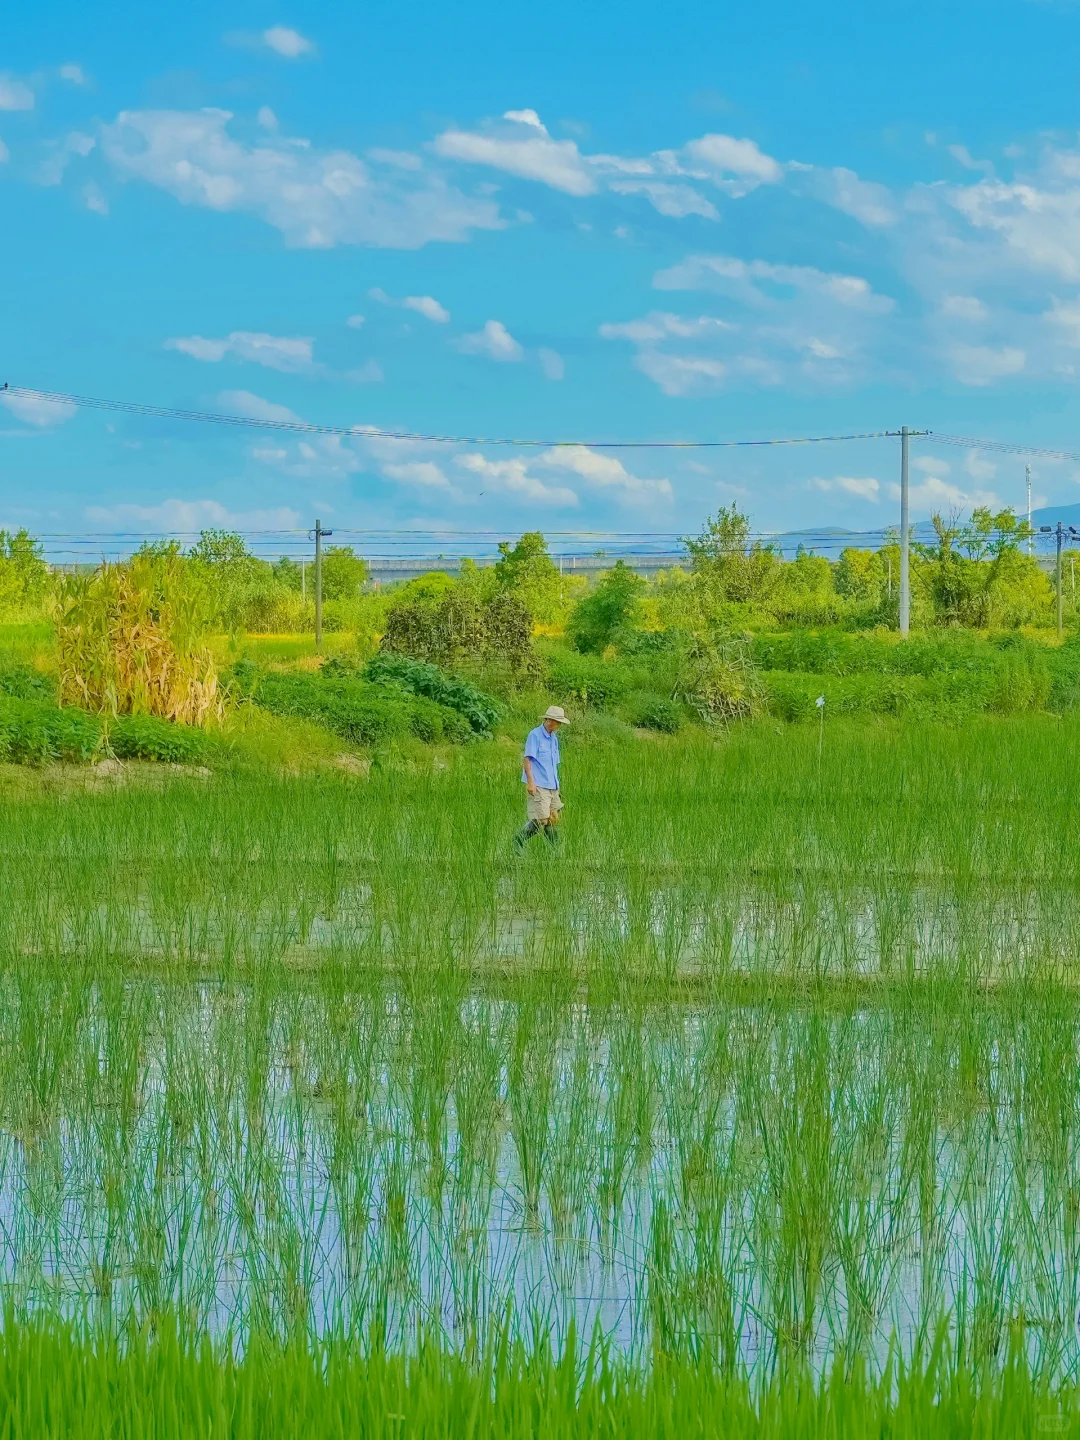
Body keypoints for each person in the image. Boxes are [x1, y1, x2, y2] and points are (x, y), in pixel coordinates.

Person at [514, 706, 569, 853]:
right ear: (550, 720)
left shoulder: (554, 738)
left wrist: (557, 787)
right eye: (558, 722)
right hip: (539, 784)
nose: (559, 725)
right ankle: (519, 839)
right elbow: (527, 760)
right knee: (541, 819)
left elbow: (553, 765)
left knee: (553, 817)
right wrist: (531, 782)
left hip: (552, 784)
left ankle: (555, 851)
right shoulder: (535, 735)